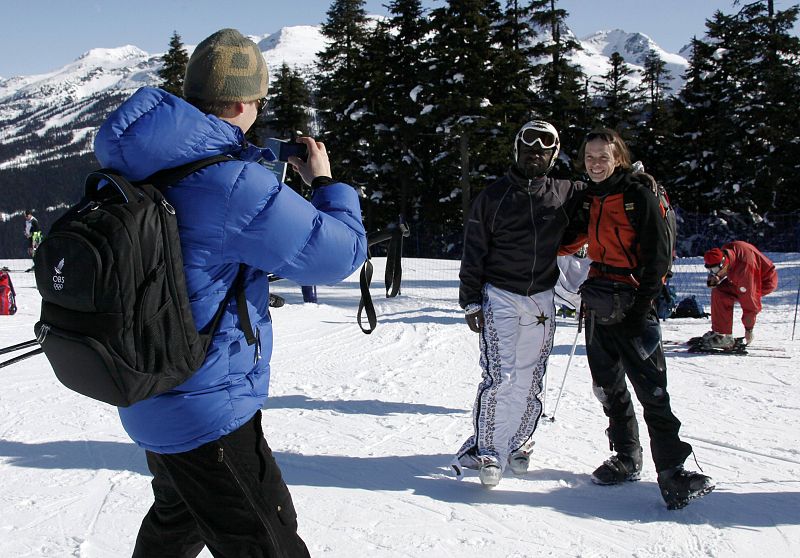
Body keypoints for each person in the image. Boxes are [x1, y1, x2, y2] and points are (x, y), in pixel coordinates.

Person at [93, 28, 367, 556]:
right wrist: (327, 182)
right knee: (268, 540)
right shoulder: (234, 186)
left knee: (178, 517)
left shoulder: (136, 160)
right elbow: (341, 253)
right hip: (207, 403)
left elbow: (202, 221)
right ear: (244, 102)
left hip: (150, 385)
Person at [568, 128, 713, 509]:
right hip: (600, 303)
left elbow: (659, 257)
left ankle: (673, 472)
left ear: (619, 157)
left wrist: (640, 308)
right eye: (589, 157)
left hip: (635, 304)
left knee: (653, 393)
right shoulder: (589, 197)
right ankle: (626, 457)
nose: (596, 164)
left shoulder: (638, 194)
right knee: (608, 387)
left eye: (603, 156)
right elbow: (568, 238)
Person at [452, 120, 586, 488]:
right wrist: (471, 301)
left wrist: (636, 182)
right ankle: (489, 450)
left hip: (542, 298)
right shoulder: (493, 197)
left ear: (554, 155)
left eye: (544, 148)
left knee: (531, 376)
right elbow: (474, 250)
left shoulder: (565, 192)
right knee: (501, 375)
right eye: (528, 146)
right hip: (501, 296)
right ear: (516, 150)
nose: (535, 152)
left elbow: (603, 198)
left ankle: (519, 441)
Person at [701, 241, 777, 348]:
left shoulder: (744, 271)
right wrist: (717, 277)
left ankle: (725, 338)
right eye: (709, 269)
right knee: (719, 291)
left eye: (715, 270)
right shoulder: (727, 252)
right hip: (741, 274)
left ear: (723, 263)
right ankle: (720, 332)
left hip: (763, 281)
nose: (712, 272)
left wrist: (749, 329)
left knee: (731, 295)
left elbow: (750, 303)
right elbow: (728, 267)